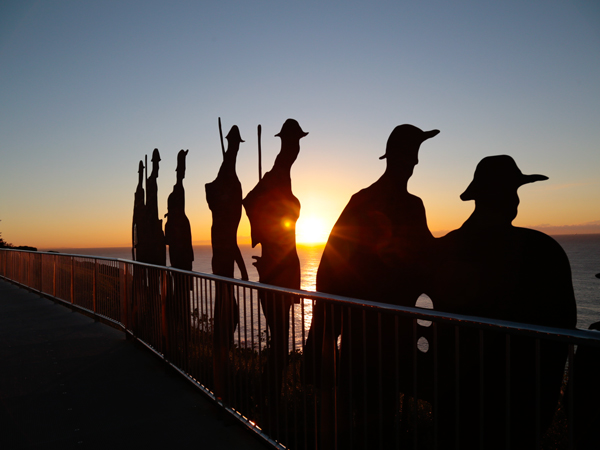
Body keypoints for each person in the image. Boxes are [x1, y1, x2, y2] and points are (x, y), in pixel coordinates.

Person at [429, 155, 577, 449]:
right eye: (513, 191)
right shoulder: (541, 250)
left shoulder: (442, 249)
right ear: (502, 196)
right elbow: (562, 331)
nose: (516, 201)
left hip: (454, 395)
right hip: (519, 400)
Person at [307, 124, 439, 449]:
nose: (416, 162)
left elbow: (331, 266)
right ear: (400, 157)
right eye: (412, 153)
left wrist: (325, 328)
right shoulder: (399, 205)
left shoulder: (372, 201)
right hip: (379, 332)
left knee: (368, 416)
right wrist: (323, 332)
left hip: (371, 331)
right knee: (374, 419)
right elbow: (333, 265)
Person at [242, 118, 307, 428]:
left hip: (280, 269)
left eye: (297, 141)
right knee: (280, 346)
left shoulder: (284, 173)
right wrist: (264, 235)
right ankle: (267, 406)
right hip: (275, 272)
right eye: (294, 141)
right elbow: (250, 200)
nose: (296, 147)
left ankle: (267, 403)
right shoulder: (278, 171)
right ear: (286, 143)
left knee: (280, 344)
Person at [205, 126, 248, 401]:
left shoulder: (229, 179)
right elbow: (229, 235)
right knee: (227, 313)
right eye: (234, 144)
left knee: (227, 311)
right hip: (222, 259)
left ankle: (222, 376)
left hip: (221, 257)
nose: (235, 148)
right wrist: (244, 270)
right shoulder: (229, 181)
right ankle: (221, 382)